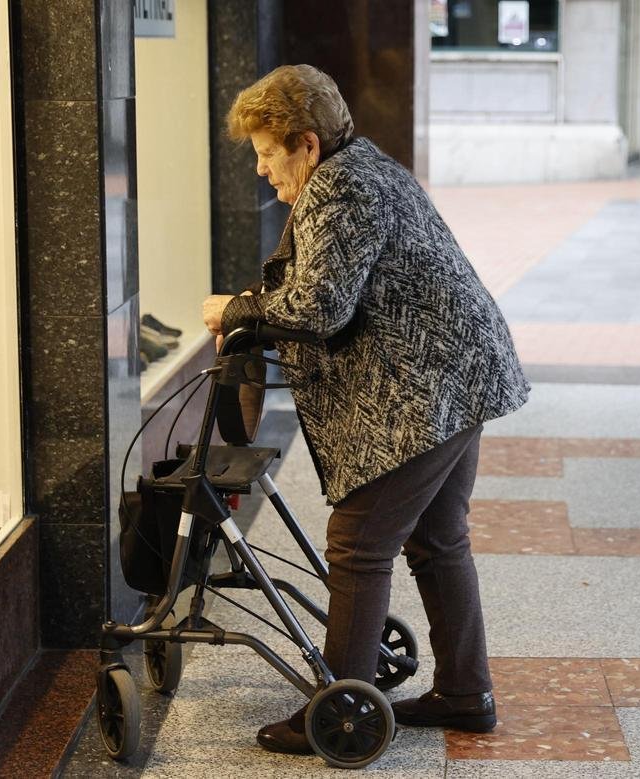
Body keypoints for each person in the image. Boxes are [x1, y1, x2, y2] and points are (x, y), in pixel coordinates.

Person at [201, 64, 529, 755]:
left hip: (429, 388)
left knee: (358, 544)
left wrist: (235, 309)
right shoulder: (362, 167)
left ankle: (340, 706)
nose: (261, 169)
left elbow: (321, 305)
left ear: (307, 144)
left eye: (266, 151)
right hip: (456, 376)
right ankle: (466, 694)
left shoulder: (344, 186)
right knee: (439, 541)